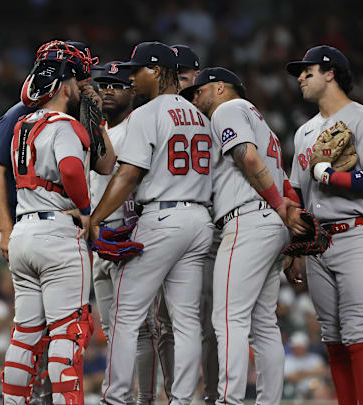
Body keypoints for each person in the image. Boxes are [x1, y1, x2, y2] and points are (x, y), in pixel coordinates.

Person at [0, 39, 113, 405]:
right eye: (80, 78)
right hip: (57, 229)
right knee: (67, 332)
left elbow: (102, 162)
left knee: (25, 333)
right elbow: (73, 169)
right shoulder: (59, 122)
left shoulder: (23, 123)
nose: (85, 85)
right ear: (66, 82)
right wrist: (87, 209)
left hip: (26, 228)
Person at [91, 41, 213, 405]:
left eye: (138, 70)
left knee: (126, 315)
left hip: (162, 217)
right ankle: (181, 399)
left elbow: (128, 175)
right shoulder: (201, 117)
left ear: (158, 71)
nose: (132, 77)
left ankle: (116, 398)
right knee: (187, 320)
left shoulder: (148, 113)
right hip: (199, 219)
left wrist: (95, 218)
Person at [183, 66, 301, 404]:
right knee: (263, 323)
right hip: (270, 225)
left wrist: (279, 206)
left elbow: (247, 157)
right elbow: (284, 181)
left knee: (227, 318)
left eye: (200, 91)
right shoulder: (260, 120)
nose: (196, 98)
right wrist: (288, 233)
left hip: (249, 220)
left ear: (220, 87)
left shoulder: (228, 109)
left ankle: (229, 400)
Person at [285, 45, 363, 405]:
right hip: (317, 242)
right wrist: (295, 250)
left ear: (330, 73)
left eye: (308, 71)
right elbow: (297, 194)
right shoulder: (303, 133)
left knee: (356, 331)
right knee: (331, 336)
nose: (300, 77)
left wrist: (334, 177)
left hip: (356, 233)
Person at [151, 44, 220, 404]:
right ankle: (176, 396)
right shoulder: (158, 114)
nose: (178, 84)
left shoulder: (216, 115)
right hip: (170, 222)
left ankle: (209, 396)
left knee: (205, 322)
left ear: (197, 77)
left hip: (208, 224)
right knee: (167, 324)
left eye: (183, 77)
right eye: (171, 76)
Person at [90, 61, 158, 405]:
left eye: (116, 85)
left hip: (127, 236)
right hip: (96, 237)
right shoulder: (97, 129)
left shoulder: (139, 125)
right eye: (103, 85)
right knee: (112, 328)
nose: (108, 91)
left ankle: (144, 398)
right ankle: (123, 398)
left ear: (133, 90)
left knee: (139, 329)